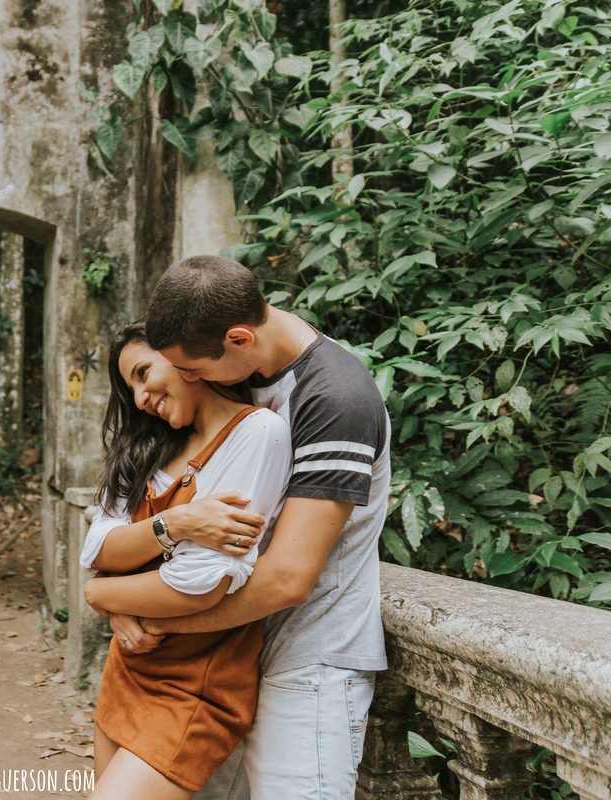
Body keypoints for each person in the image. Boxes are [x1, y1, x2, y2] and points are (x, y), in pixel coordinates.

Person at [112, 255, 391, 800]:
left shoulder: (334, 398)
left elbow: (288, 578)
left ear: (239, 338)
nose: (189, 381)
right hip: (225, 662)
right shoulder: (247, 379)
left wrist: (147, 613)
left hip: (307, 661)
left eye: (193, 370)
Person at [80, 321, 293, 799]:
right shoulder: (147, 448)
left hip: (196, 686)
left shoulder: (258, 432)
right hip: (128, 665)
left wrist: (101, 594)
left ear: (182, 359)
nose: (138, 398)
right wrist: (174, 525)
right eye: (129, 387)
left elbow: (198, 585)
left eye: (142, 373)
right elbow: (97, 549)